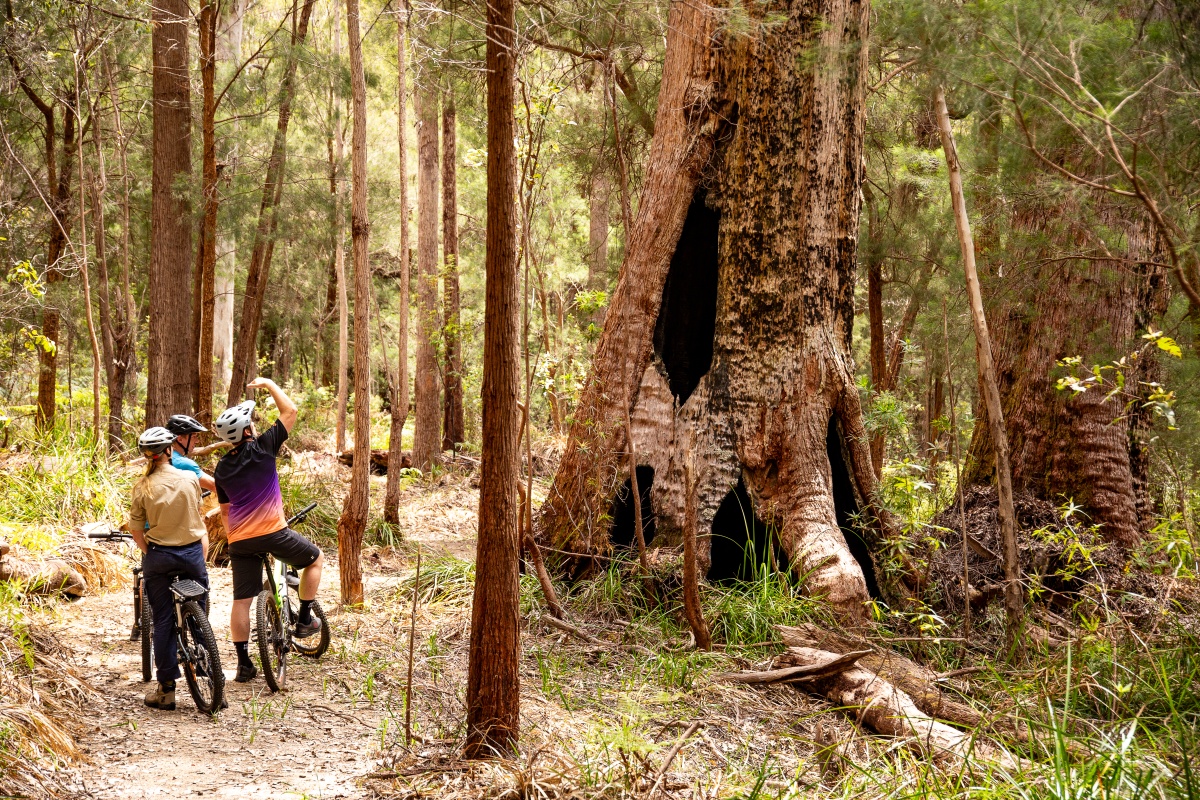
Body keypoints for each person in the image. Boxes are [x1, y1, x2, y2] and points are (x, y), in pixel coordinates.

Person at [213, 378, 324, 684]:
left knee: (241, 602)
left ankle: (243, 664)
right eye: (250, 423)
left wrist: (234, 538)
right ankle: (303, 620)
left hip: (239, 540)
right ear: (247, 430)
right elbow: (290, 411)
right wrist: (271, 385)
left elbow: (224, 511)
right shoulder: (263, 448)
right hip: (273, 532)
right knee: (315, 559)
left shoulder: (222, 468)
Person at [127, 426, 210, 711]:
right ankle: (209, 670)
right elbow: (197, 515)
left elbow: (137, 532)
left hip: (160, 555)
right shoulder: (189, 478)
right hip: (192, 554)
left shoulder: (142, 486)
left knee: (162, 620)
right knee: (201, 612)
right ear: (167, 451)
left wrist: (153, 552)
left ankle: (166, 690)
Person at [165, 414, 216, 493]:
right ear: (180, 439)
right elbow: (215, 486)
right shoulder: (184, 464)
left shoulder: (163, 459)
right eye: (193, 437)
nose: (197, 441)